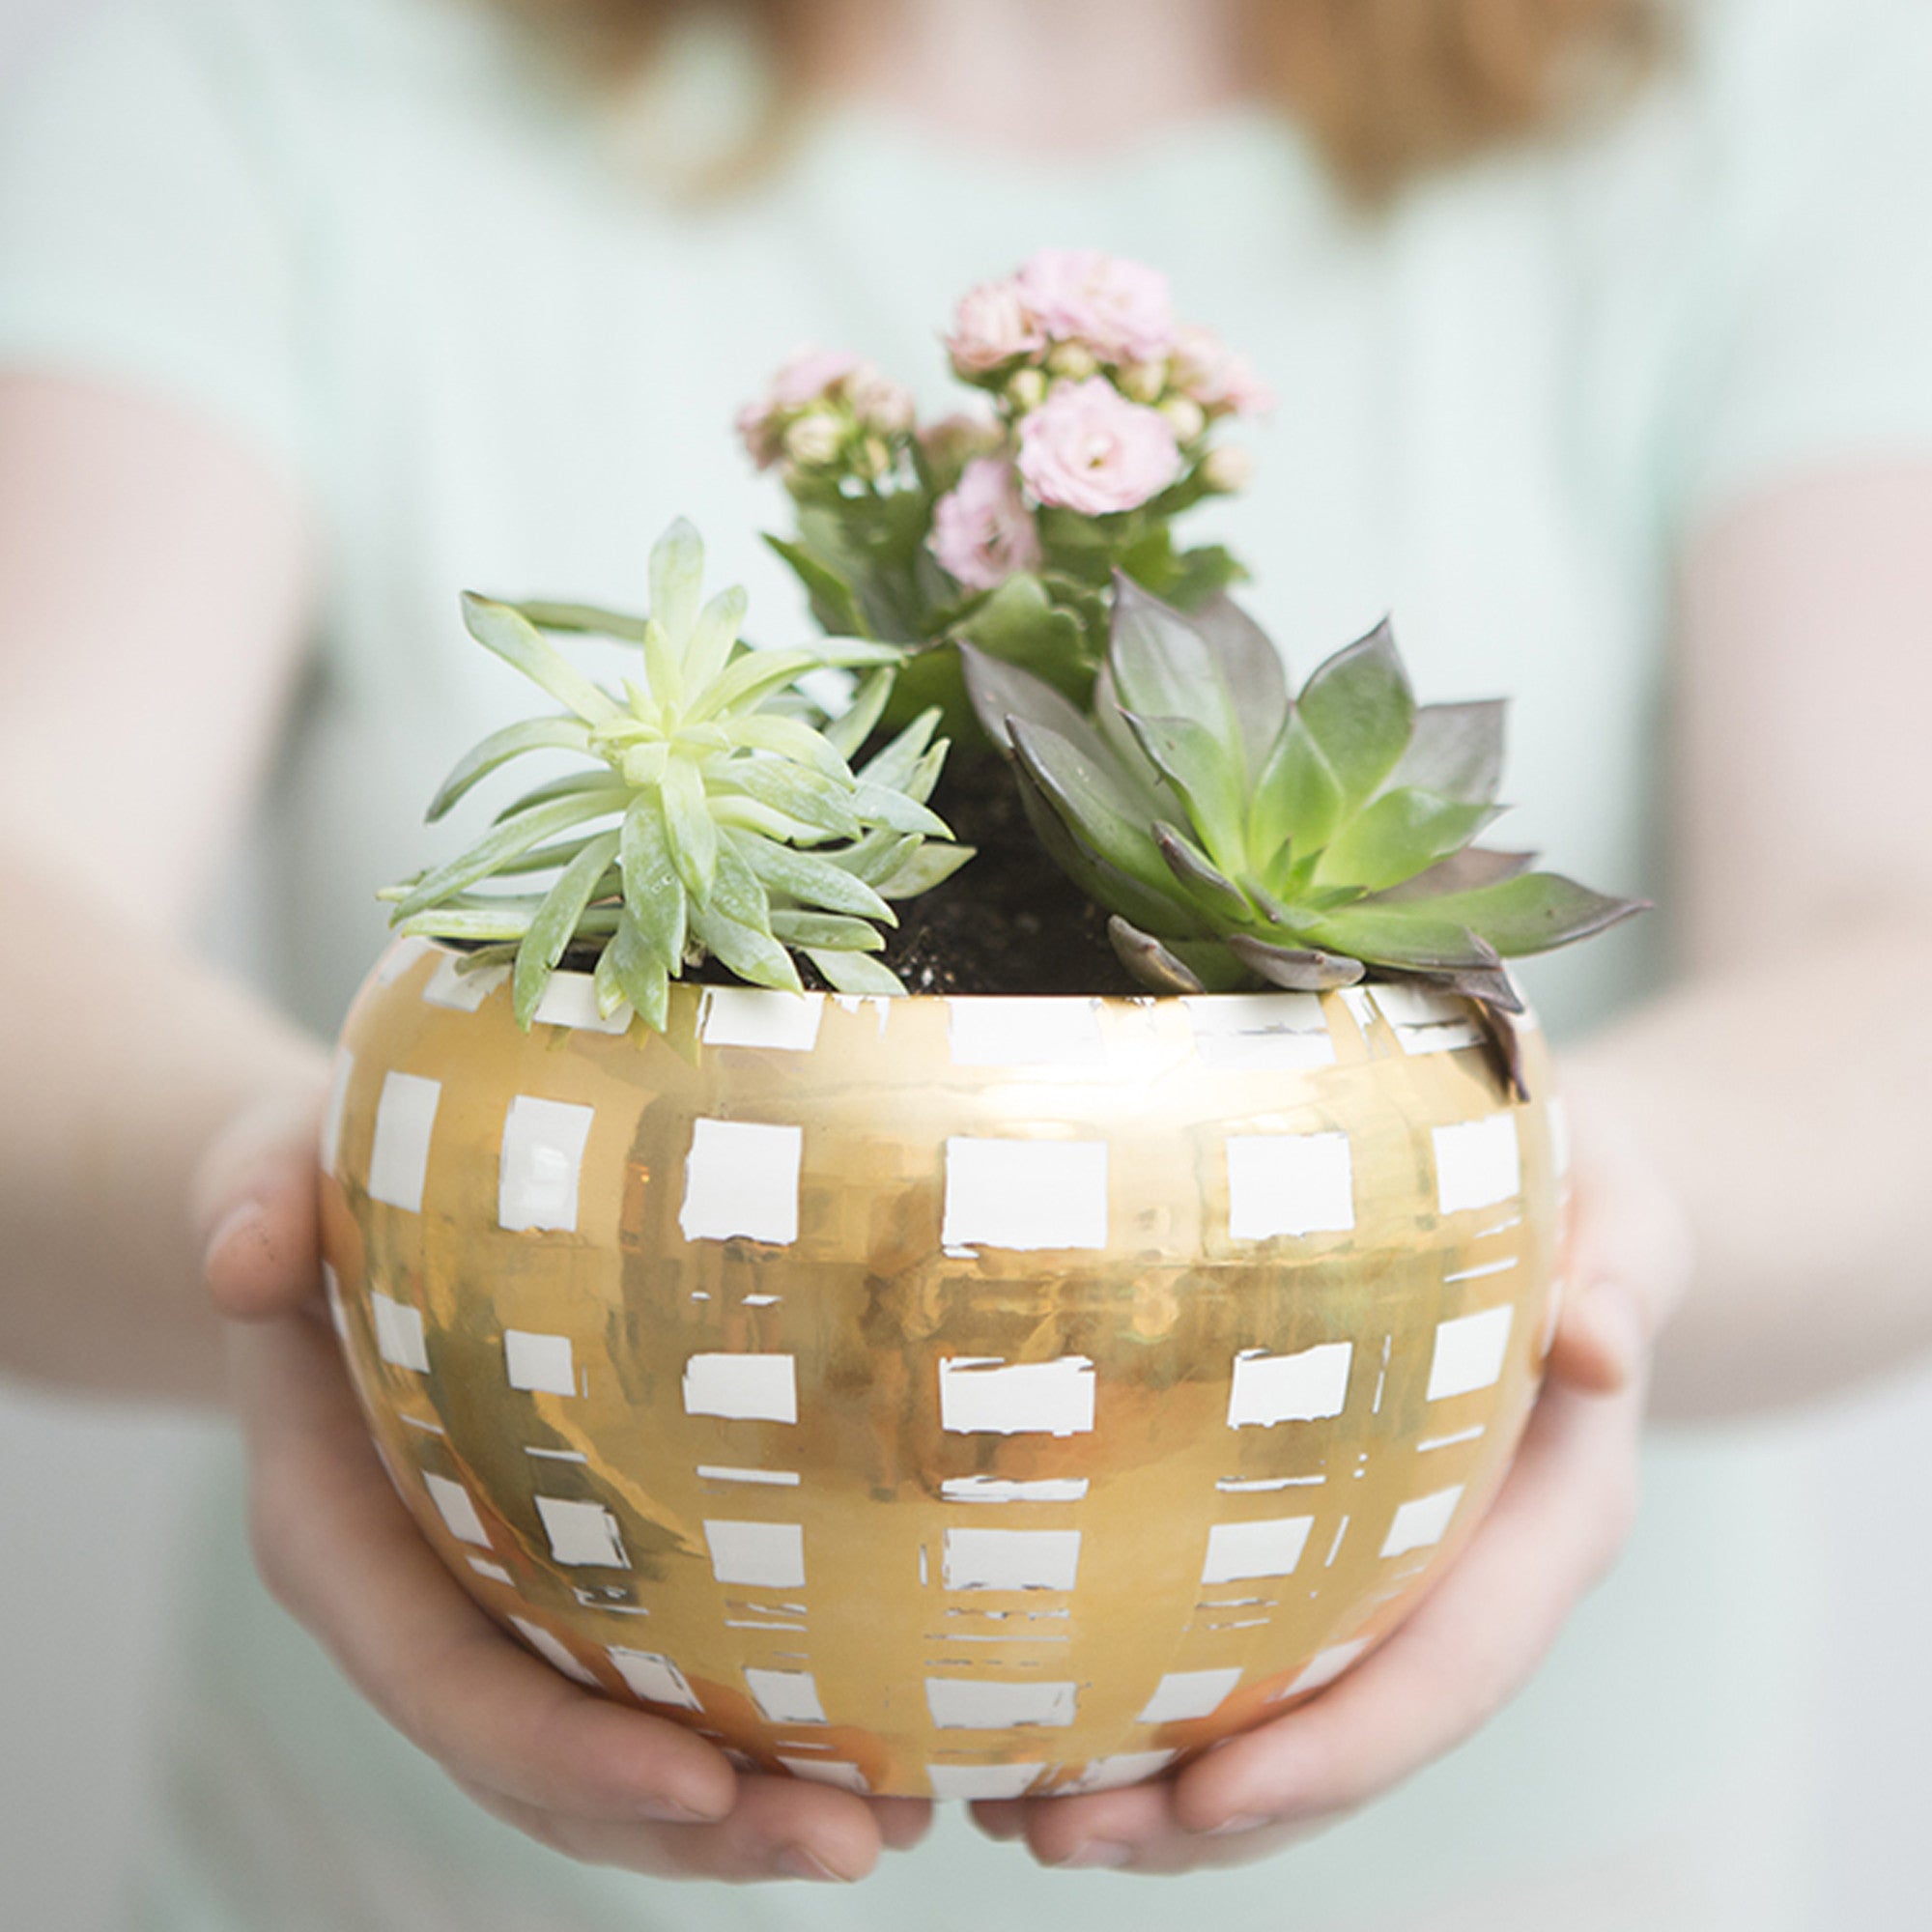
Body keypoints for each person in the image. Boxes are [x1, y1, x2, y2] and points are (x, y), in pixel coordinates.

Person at [1, 0, 1929, 1924]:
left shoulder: (1749, 81)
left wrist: (1568, 1244)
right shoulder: (270, 68)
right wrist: (315, 1225)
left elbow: (1888, 938)